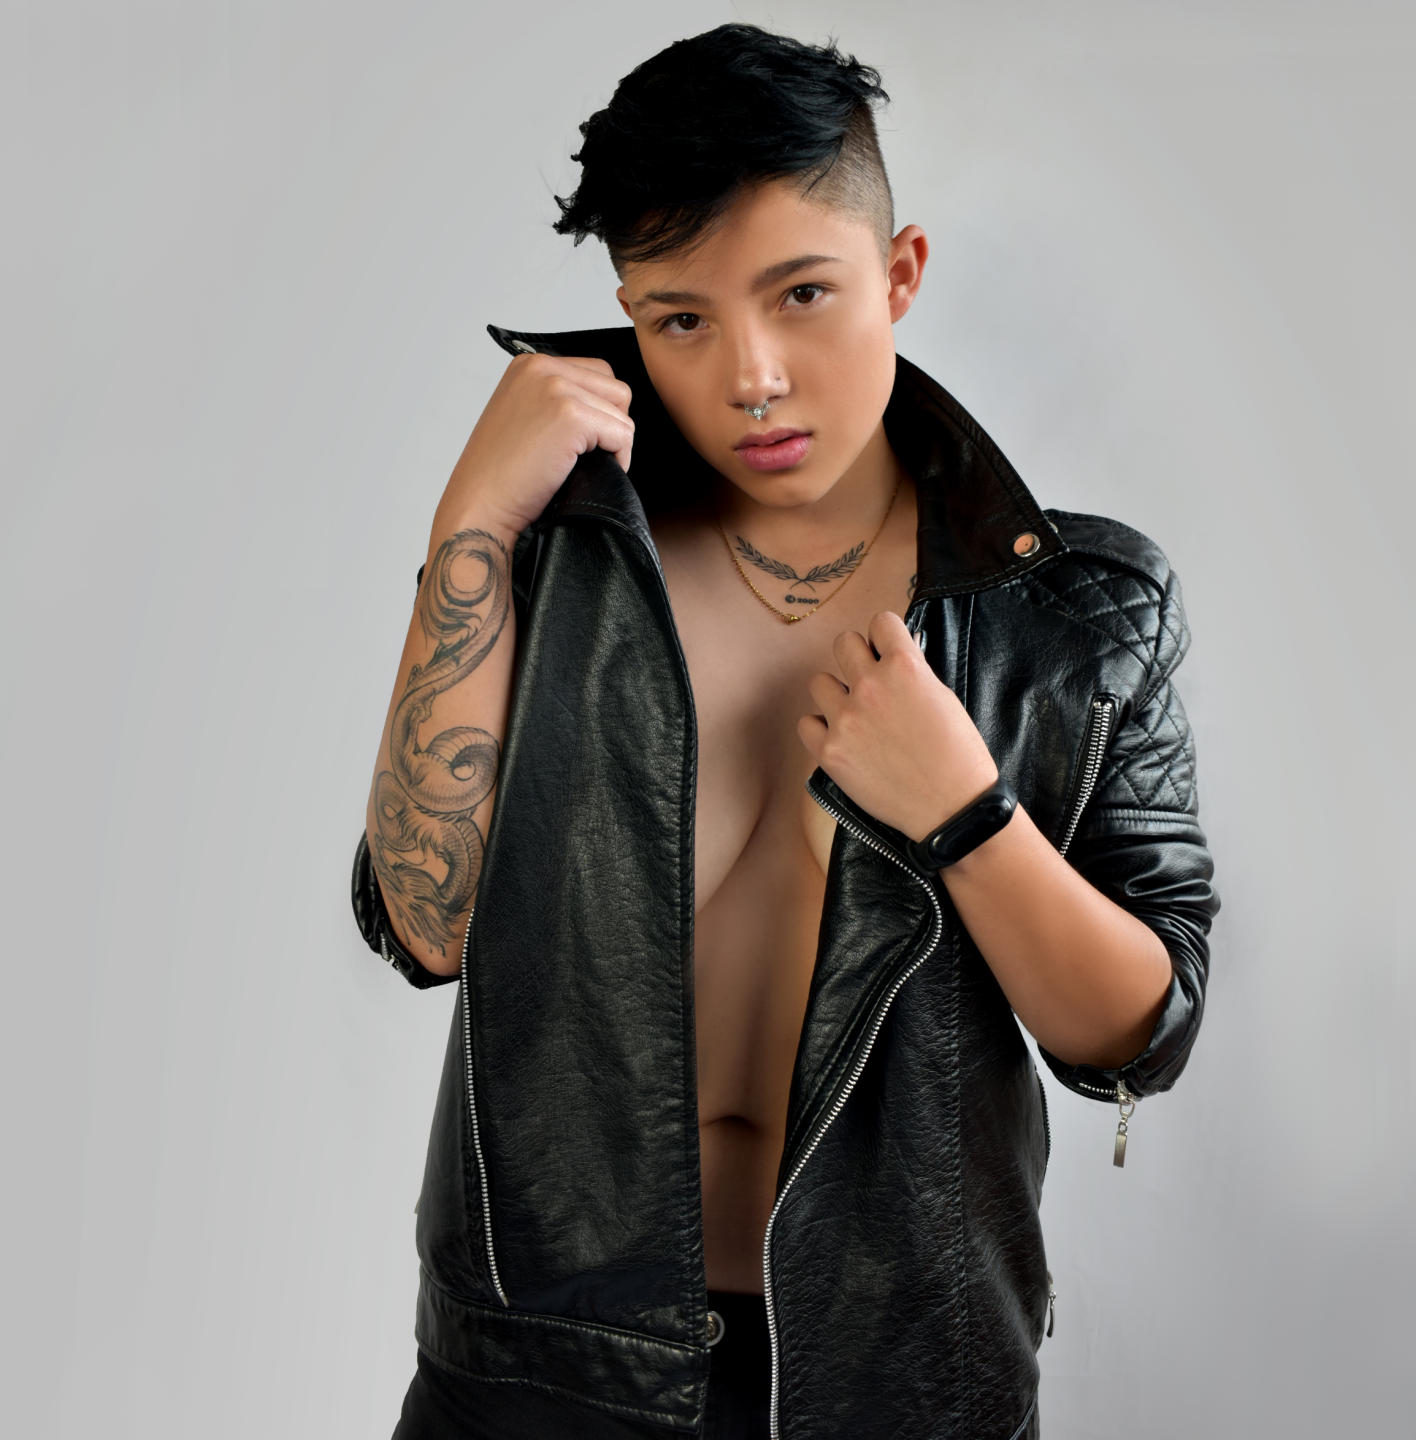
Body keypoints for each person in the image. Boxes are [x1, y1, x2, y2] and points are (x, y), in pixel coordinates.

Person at [350, 21, 1220, 1440]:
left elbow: (1138, 1036)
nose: (749, 374)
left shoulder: (1077, 610)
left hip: (904, 1382)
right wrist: (472, 526)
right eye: (679, 319)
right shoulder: (563, 549)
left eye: (802, 294)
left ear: (901, 273)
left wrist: (969, 821)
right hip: (536, 1379)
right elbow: (425, 923)